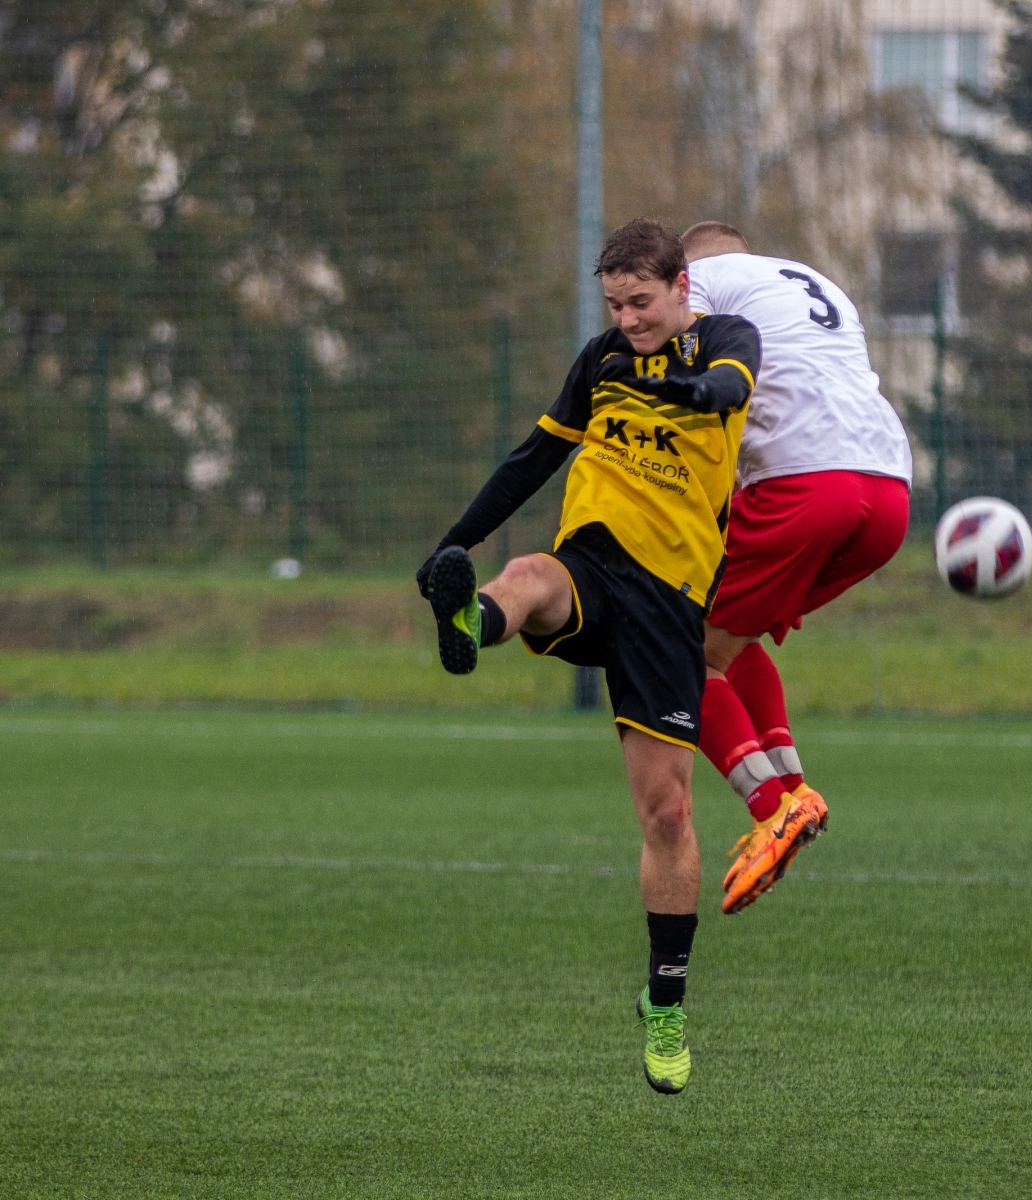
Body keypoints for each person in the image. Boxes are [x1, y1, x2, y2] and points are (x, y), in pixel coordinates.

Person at [414, 217, 766, 1096]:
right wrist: (453, 541)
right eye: (615, 305)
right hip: (594, 566)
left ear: (681, 286)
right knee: (530, 575)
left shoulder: (725, 338)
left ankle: (665, 1004)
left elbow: (729, 386)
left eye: (640, 302)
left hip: (669, 603)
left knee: (667, 815)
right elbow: (533, 458)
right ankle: (468, 620)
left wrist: (686, 387)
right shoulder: (602, 360)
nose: (628, 320)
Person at [679, 221, 913, 916]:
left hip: (805, 483)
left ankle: (769, 808)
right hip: (888, 490)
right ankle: (794, 792)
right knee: (727, 635)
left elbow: (689, 386)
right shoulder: (818, 284)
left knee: (676, 648)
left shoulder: (701, 282)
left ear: (686, 268)